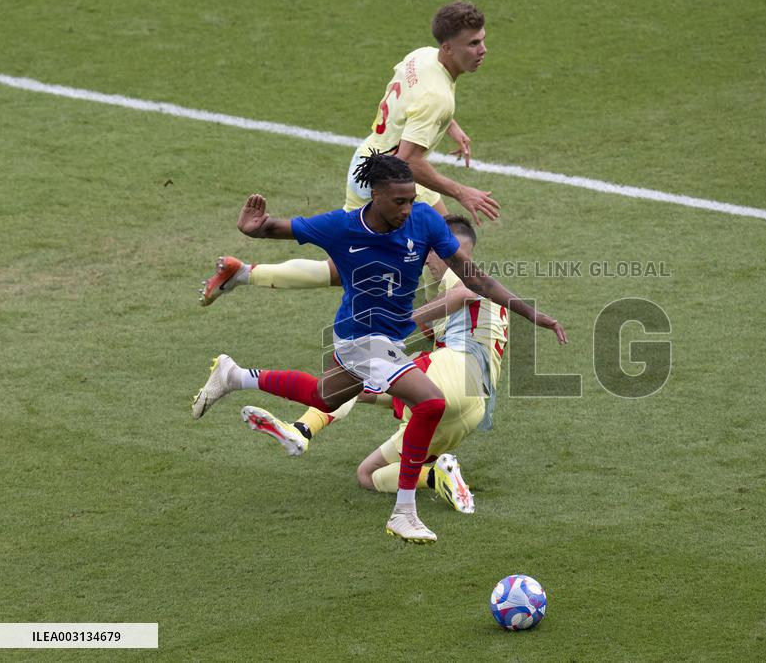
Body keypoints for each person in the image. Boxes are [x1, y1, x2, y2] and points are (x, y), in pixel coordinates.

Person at [192, 153, 566, 544]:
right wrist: (253, 228)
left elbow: (473, 277)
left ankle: (233, 376)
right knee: (432, 402)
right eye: (398, 201)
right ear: (375, 194)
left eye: (410, 199)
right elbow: (272, 228)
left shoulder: (423, 219)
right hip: (358, 338)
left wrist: (531, 313)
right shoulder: (340, 227)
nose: (406, 209)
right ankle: (404, 512)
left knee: (324, 396)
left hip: (388, 340)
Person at [197, 1, 496, 303]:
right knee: (435, 252)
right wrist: (461, 192)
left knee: (437, 249)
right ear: (447, 48)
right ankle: (441, 332)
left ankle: (243, 273)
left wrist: (450, 126)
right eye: (472, 43)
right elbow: (410, 160)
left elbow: (414, 102)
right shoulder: (438, 98)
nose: (482, 49)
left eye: (482, 39)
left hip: (373, 162)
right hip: (384, 182)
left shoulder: (422, 56)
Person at [240, 216, 506, 516]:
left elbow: (460, 295)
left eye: (429, 249)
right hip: (474, 405)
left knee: (356, 377)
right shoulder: (485, 295)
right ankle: (436, 475)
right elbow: (449, 322)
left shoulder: (462, 271)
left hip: (452, 372)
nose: (425, 257)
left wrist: (402, 320)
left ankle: (301, 429)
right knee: (368, 475)